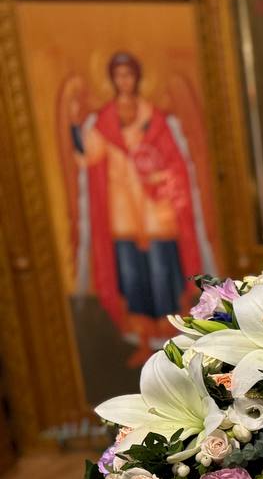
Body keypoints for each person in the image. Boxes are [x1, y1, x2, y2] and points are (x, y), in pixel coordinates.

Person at [70, 51, 216, 366]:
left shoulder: (155, 119)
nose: (124, 81)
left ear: (136, 77)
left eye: (129, 74)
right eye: (118, 75)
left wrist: (158, 176)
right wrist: (73, 126)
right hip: (122, 216)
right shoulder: (104, 121)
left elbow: (175, 163)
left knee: (163, 276)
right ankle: (145, 342)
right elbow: (89, 157)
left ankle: (174, 344)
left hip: (156, 215)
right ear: (112, 79)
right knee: (133, 279)